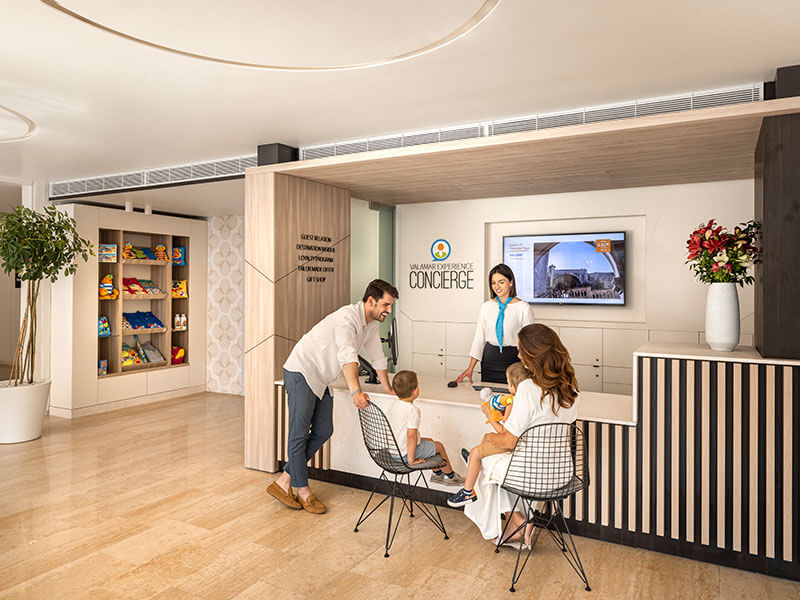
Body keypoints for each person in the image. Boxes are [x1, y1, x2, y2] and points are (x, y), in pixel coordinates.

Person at [267, 279, 398, 514]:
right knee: (298, 432)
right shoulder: (347, 318)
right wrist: (355, 390)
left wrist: (388, 388)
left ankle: (284, 480)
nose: (388, 310)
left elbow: (377, 355)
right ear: (371, 301)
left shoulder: (369, 324)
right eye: (386, 305)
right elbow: (347, 354)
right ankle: (302, 489)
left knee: (324, 430)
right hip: (302, 370)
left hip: (323, 378)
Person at [461, 324, 580, 546]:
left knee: (483, 462)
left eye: (520, 350)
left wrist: (489, 438)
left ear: (533, 353)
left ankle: (512, 523)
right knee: (498, 466)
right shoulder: (570, 387)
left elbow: (508, 440)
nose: (517, 354)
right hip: (563, 471)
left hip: (532, 474)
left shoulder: (528, 388)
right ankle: (516, 522)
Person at [446, 362, 528, 507]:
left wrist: (489, 416)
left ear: (514, 387)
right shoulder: (524, 401)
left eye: (508, 383)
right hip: (520, 442)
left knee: (476, 452)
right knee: (486, 437)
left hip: (512, 445)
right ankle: (473, 460)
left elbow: (503, 432)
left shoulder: (512, 403)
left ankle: (467, 491)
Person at [454, 264, 534, 385]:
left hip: (515, 361)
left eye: (501, 282)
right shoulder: (486, 307)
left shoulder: (523, 308)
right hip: (490, 359)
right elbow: (479, 338)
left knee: (512, 400)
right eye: (493, 283)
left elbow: (530, 343)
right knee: (488, 397)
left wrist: (530, 368)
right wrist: (470, 368)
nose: (497, 286)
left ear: (510, 282)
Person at [386, 370, 464, 485]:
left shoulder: (393, 406)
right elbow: (411, 436)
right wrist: (411, 460)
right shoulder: (412, 410)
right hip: (405, 455)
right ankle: (451, 477)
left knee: (430, 442)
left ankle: (437, 474)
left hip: (394, 451)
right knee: (439, 446)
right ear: (416, 391)